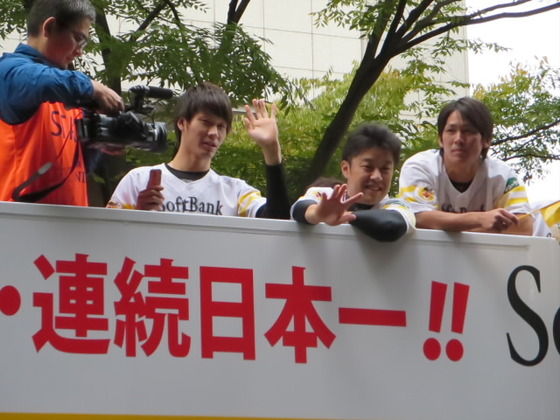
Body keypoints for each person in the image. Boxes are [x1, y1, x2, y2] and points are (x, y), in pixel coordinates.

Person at [0, 0, 123, 206]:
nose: (80, 51)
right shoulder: (9, 72)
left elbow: (77, 168)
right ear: (49, 27)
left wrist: (100, 141)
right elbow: (41, 81)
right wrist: (91, 86)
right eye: (78, 39)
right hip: (18, 220)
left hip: (69, 219)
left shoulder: (70, 92)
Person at [107, 82, 290, 219]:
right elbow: (107, 238)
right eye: (206, 122)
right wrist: (138, 215)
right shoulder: (138, 181)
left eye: (221, 126)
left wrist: (271, 149)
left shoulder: (236, 193)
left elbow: (278, 222)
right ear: (182, 122)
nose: (214, 133)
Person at [398, 97, 533, 235]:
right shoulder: (419, 167)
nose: (458, 139)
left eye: (468, 131)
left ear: (486, 140)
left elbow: (524, 226)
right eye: (451, 131)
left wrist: (444, 226)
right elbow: (417, 218)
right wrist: (479, 219)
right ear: (440, 139)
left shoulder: (503, 176)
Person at [291, 123, 415, 241]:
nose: (377, 176)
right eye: (368, 167)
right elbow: (300, 209)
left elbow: (390, 225)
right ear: (346, 169)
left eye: (385, 169)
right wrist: (319, 214)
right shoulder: (326, 195)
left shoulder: (397, 206)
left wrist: (341, 216)